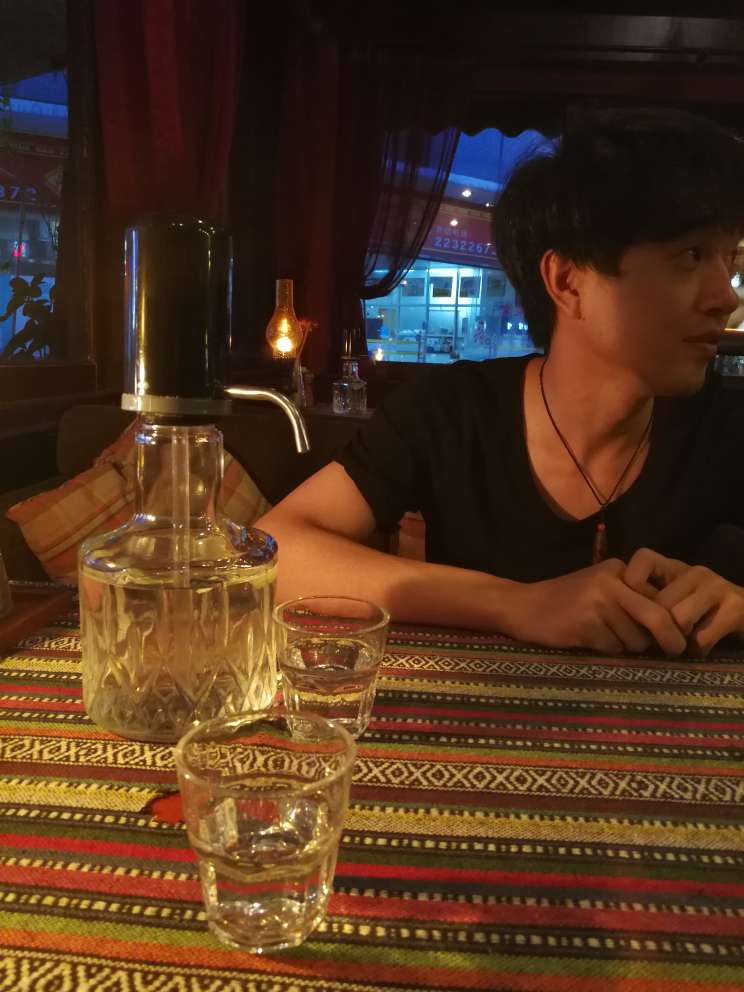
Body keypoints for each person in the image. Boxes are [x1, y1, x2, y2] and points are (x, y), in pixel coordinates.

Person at [257, 106, 744, 657]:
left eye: (727, 260)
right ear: (568, 280)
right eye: (690, 255)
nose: (725, 297)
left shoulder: (725, 426)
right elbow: (277, 551)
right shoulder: (455, 410)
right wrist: (518, 604)